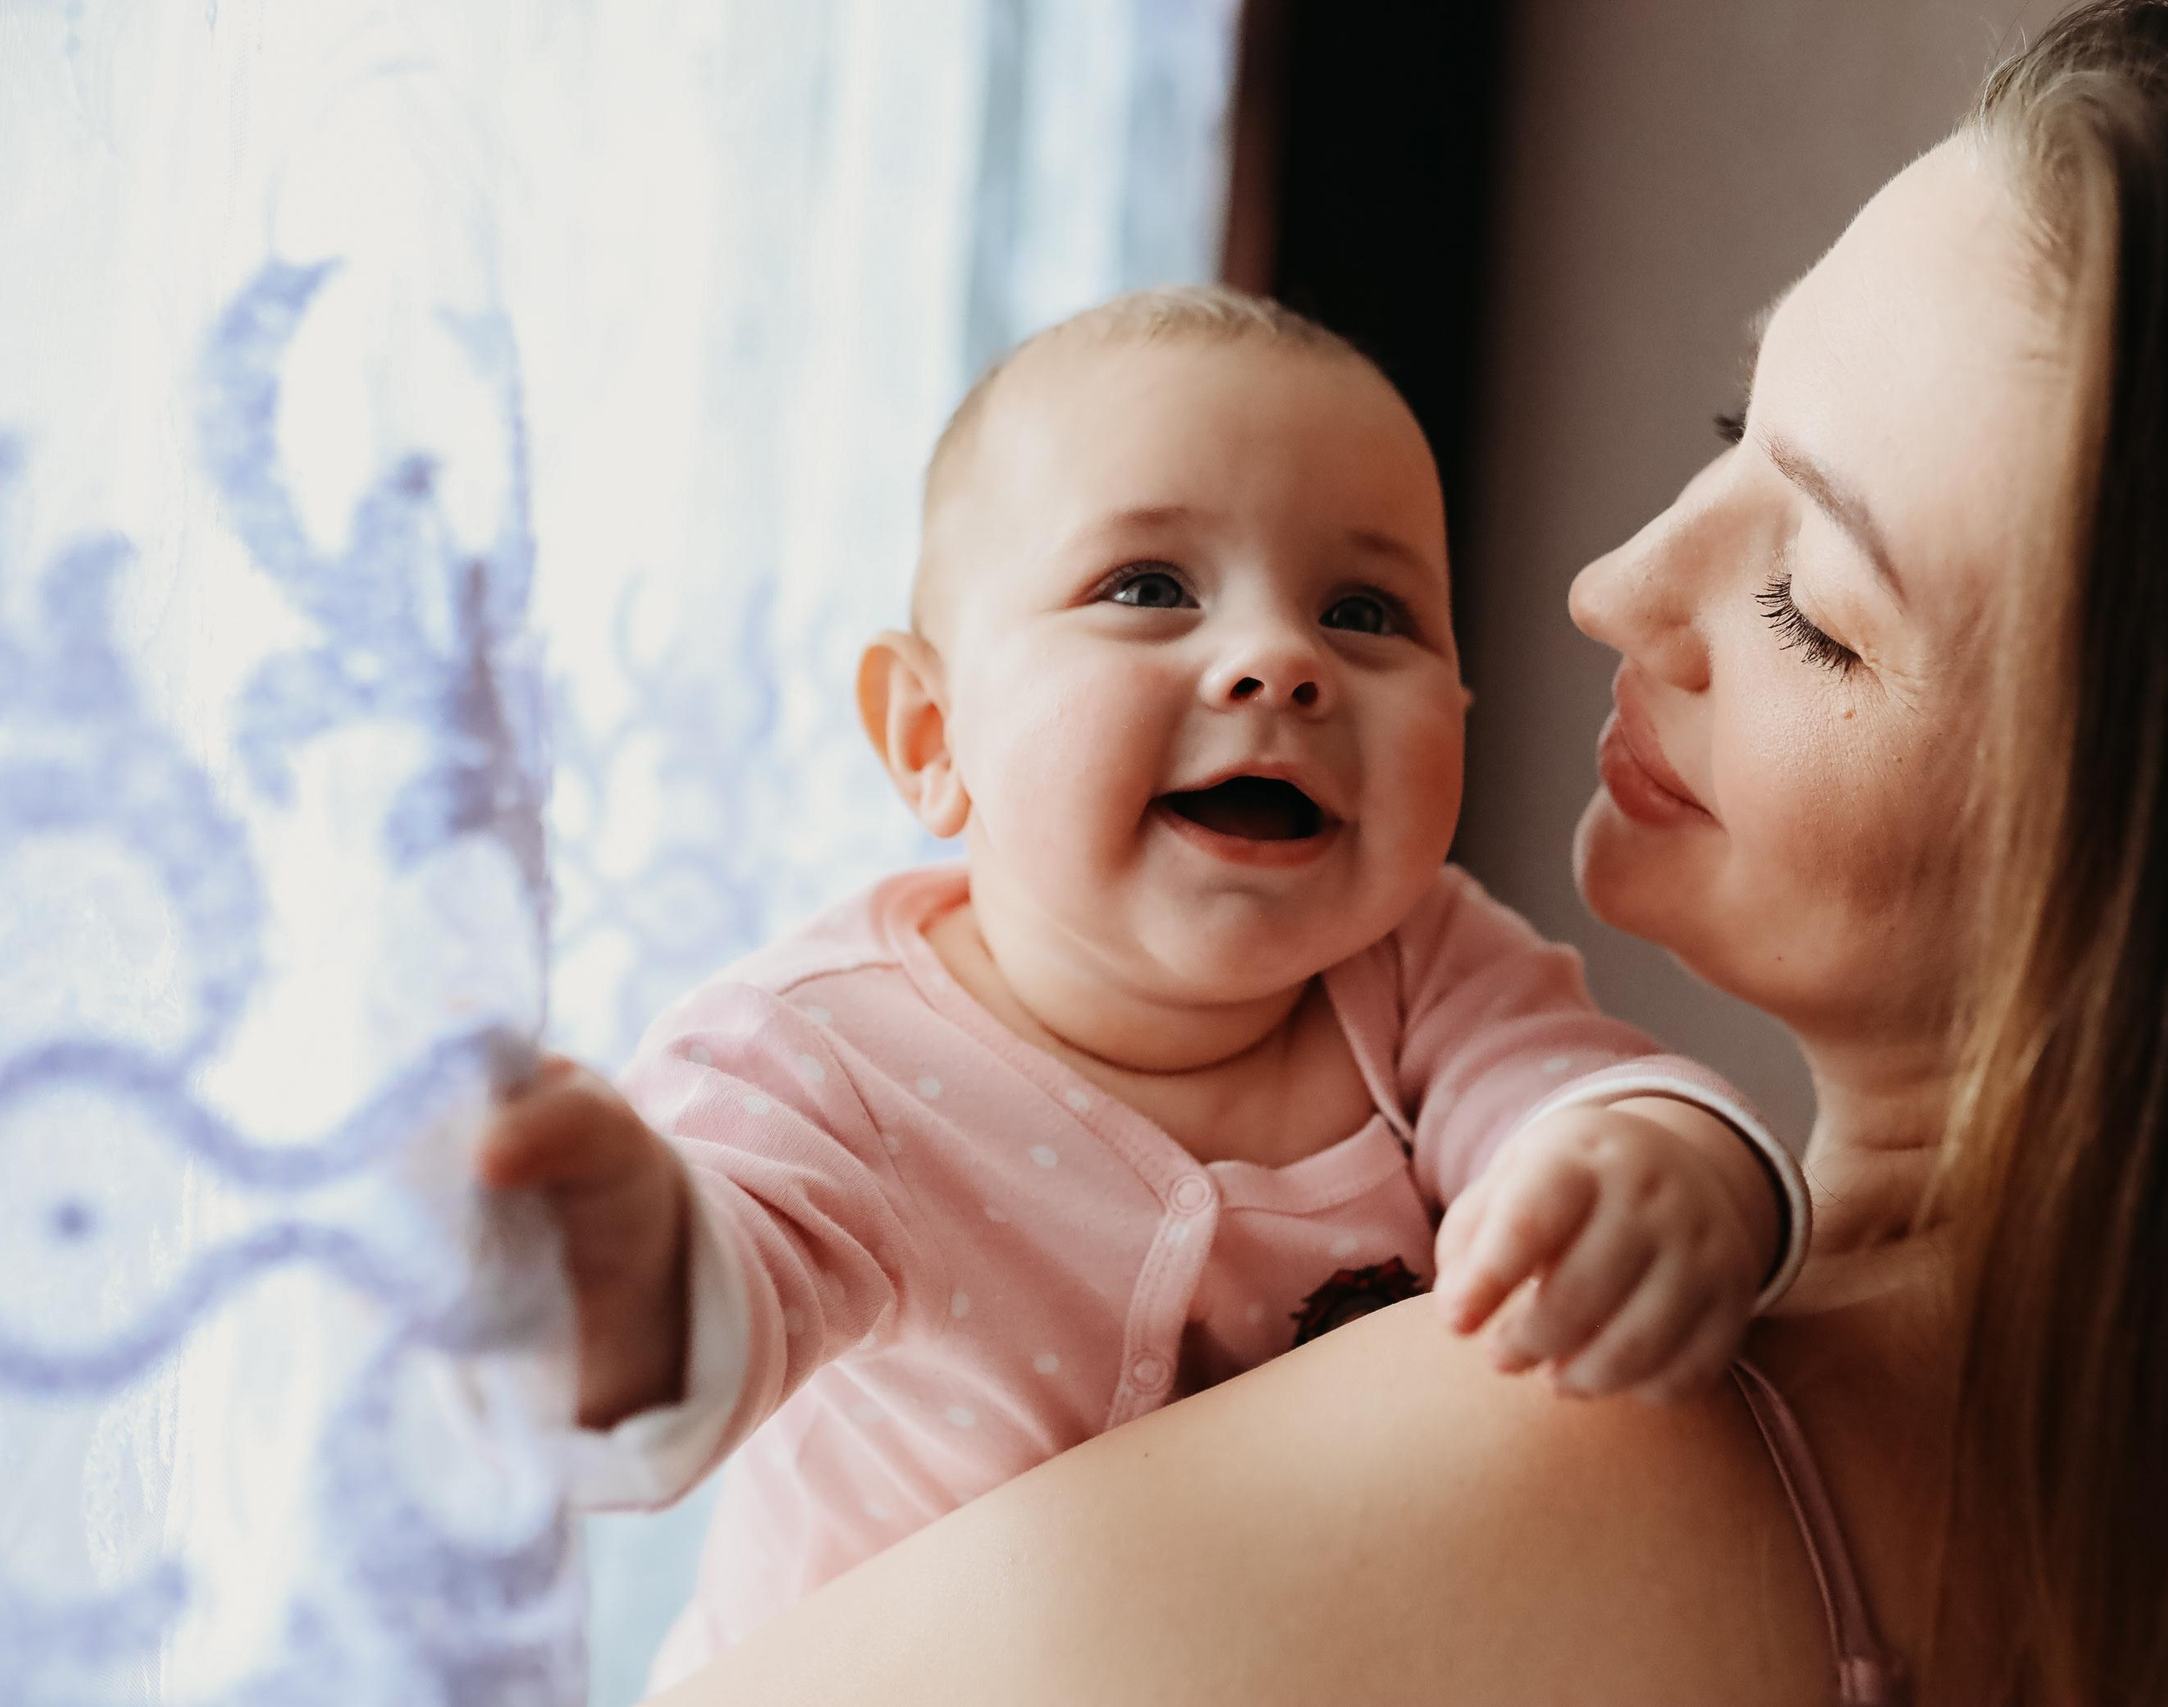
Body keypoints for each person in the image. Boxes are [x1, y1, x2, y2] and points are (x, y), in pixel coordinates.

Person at [647, 3, 2168, 1703]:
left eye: (1809, 596)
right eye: (1735, 431)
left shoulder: (1574, 1446)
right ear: (924, 728)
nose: (1603, 587)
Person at [476, 286, 1815, 1684]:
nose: (1281, 663)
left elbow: (1566, 1092)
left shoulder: (1420, 966)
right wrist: (623, 1282)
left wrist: (1663, 1164)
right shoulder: (818, 1059)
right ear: (932, 733)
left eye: (1365, 612)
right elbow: (699, 1344)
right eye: (1149, 590)